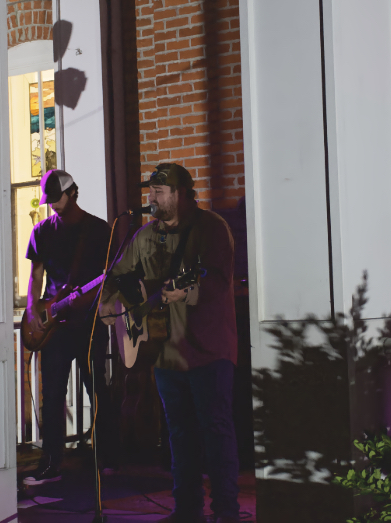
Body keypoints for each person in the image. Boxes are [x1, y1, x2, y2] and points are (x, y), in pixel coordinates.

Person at [100, 163, 240, 523]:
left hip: (209, 350)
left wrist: (187, 291)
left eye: (159, 192)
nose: (152, 198)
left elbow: (219, 279)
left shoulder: (211, 229)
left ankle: (226, 512)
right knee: (179, 435)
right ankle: (187, 510)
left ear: (180, 194)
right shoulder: (145, 236)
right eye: (151, 191)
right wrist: (109, 302)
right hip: (164, 353)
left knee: (216, 431)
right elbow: (117, 275)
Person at [23, 169, 116, 485]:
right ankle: (51, 461)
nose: (53, 206)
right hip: (54, 325)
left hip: (89, 321)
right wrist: (32, 308)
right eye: (49, 200)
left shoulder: (98, 230)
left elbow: (112, 274)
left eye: (58, 199)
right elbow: (35, 276)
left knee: (97, 389)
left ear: (73, 193)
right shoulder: (42, 231)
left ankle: (106, 455)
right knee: (52, 396)